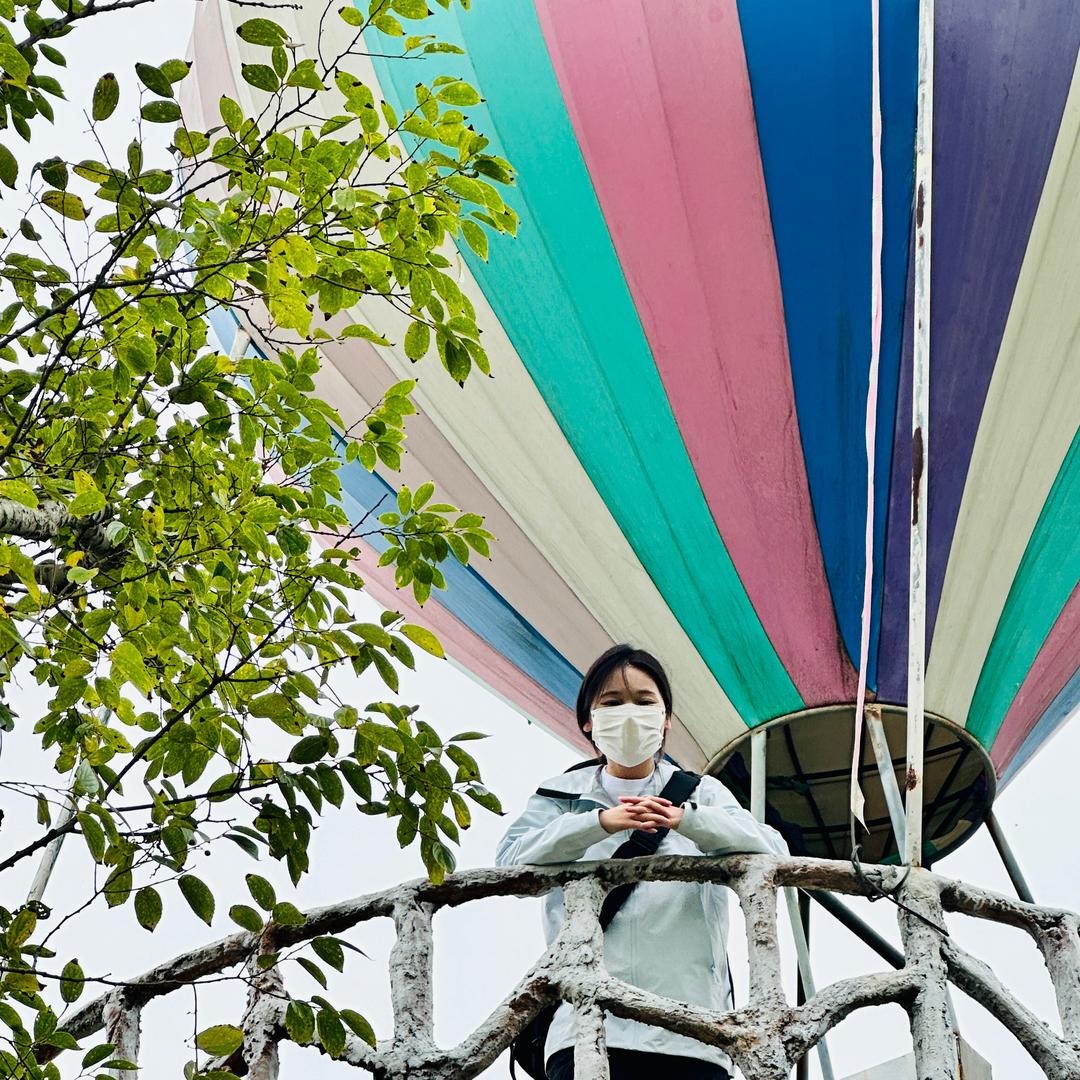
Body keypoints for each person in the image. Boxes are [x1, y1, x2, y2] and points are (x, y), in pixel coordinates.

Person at [496, 644, 788, 1080]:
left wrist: (686, 821)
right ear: (588, 722)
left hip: (692, 1031)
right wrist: (598, 824)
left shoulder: (699, 792)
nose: (629, 712)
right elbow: (509, 861)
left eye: (644, 701)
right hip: (586, 1029)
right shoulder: (560, 796)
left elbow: (773, 851)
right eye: (612, 702)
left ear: (665, 719)